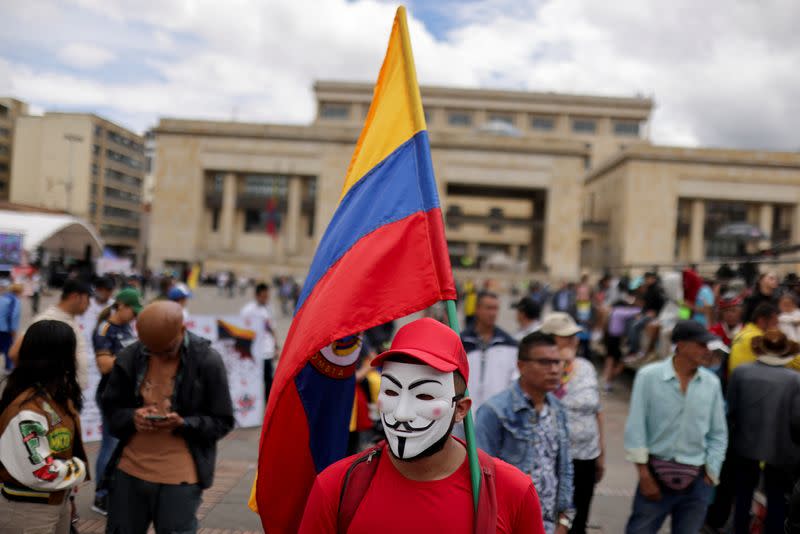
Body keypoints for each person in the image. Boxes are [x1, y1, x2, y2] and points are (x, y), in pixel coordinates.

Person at [299, 318, 546, 533]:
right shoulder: (335, 488)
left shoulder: (513, 492)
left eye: (425, 396)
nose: (402, 413)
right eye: (392, 392)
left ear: (461, 409)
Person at [102, 301, 235, 534]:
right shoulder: (131, 356)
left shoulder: (206, 361)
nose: (159, 356)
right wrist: (132, 417)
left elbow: (222, 420)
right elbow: (111, 409)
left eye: (166, 350)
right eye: (152, 350)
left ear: (181, 330)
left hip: (181, 477)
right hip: (129, 471)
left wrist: (184, 424)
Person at [623, 320, 728, 533]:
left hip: (697, 480)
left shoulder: (711, 384)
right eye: (701, 345)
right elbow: (636, 428)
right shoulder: (649, 377)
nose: (706, 351)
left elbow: (718, 433)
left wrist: (711, 472)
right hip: (655, 474)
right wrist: (644, 474)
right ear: (681, 345)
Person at [476, 332, 575, 534]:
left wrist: (564, 521)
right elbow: (481, 477)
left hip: (550, 525)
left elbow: (564, 468)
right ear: (521, 366)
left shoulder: (558, 409)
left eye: (558, 362)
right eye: (545, 362)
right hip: (510, 523)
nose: (555, 370)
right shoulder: (494, 411)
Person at [0, 320, 88, 533]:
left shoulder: (56, 396)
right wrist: (79, 468)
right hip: (28, 511)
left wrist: (69, 496)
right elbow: (41, 471)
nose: (76, 358)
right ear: (60, 358)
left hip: (55, 501)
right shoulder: (26, 411)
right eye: (72, 351)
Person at [727, 330, 800, 533]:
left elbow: (731, 410)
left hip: (744, 445)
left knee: (742, 494)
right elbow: (797, 420)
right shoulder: (794, 380)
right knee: (776, 498)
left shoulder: (742, 372)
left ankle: (739, 529)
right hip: (781, 450)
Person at [91, 288, 143, 516]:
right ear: (121, 306)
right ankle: (101, 496)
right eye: (133, 311)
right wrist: (130, 355)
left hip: (128, 395)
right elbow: (104, 365)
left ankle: (115, 491)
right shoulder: (105, 329)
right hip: (110, 395)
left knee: (123, 446)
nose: (135, 316)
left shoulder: (127, 328)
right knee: (109, 446)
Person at [551, 322, 604, 534]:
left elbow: (598, 410)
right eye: (566, 336)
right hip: (555, 457)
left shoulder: (587, 367)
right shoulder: (547, 368)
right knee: (555, 517)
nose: (573, 341)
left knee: (580, 517)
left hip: (586, 455)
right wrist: (562, 363)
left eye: (575, 336)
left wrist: (601, 453)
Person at [9, 279, 92, 389]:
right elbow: (15, 353)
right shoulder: (49, 319)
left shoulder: (69, 318)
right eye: (88, 298)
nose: (89, 304)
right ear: (76, 296)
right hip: (54, 397)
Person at [460, 291, 518, 410]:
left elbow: (514, 380)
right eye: (489, 308)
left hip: (497, 413)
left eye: (496, 309)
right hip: (465, 415)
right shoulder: (460, 342)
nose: (493, 313)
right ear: (477, 309)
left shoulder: (509, 344)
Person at [728, 302, 799, 375]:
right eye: (774, 323)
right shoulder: (759, 338)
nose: (777, 327)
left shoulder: (740, 334)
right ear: (761, 321)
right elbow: (793, 362)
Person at [240, 282, 277, 400]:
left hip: (267, 351)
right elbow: (241, 329)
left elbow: (272, 329)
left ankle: (267, 404)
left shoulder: (268, 309)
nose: (266, 299)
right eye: (263, 296)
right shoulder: (248, 310)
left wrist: (276, 347)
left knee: (268, 379)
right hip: (253, 351)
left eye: (267, 296)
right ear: (257, 295)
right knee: (252, 379)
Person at [603, 295, 640, 391]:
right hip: (616, 339)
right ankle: (609, 380)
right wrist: (638, 307)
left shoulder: (613, 312)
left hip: (610, 338)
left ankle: (607, 382)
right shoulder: (620, 312)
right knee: (621, 361)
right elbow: (635, 311)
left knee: (610, 360)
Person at [0, 283, 22, 372]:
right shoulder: (15, 300)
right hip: (6, 329)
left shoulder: (3, 297)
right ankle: (8, 367)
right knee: (8, 349)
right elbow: (14, 315)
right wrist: (13, 329)